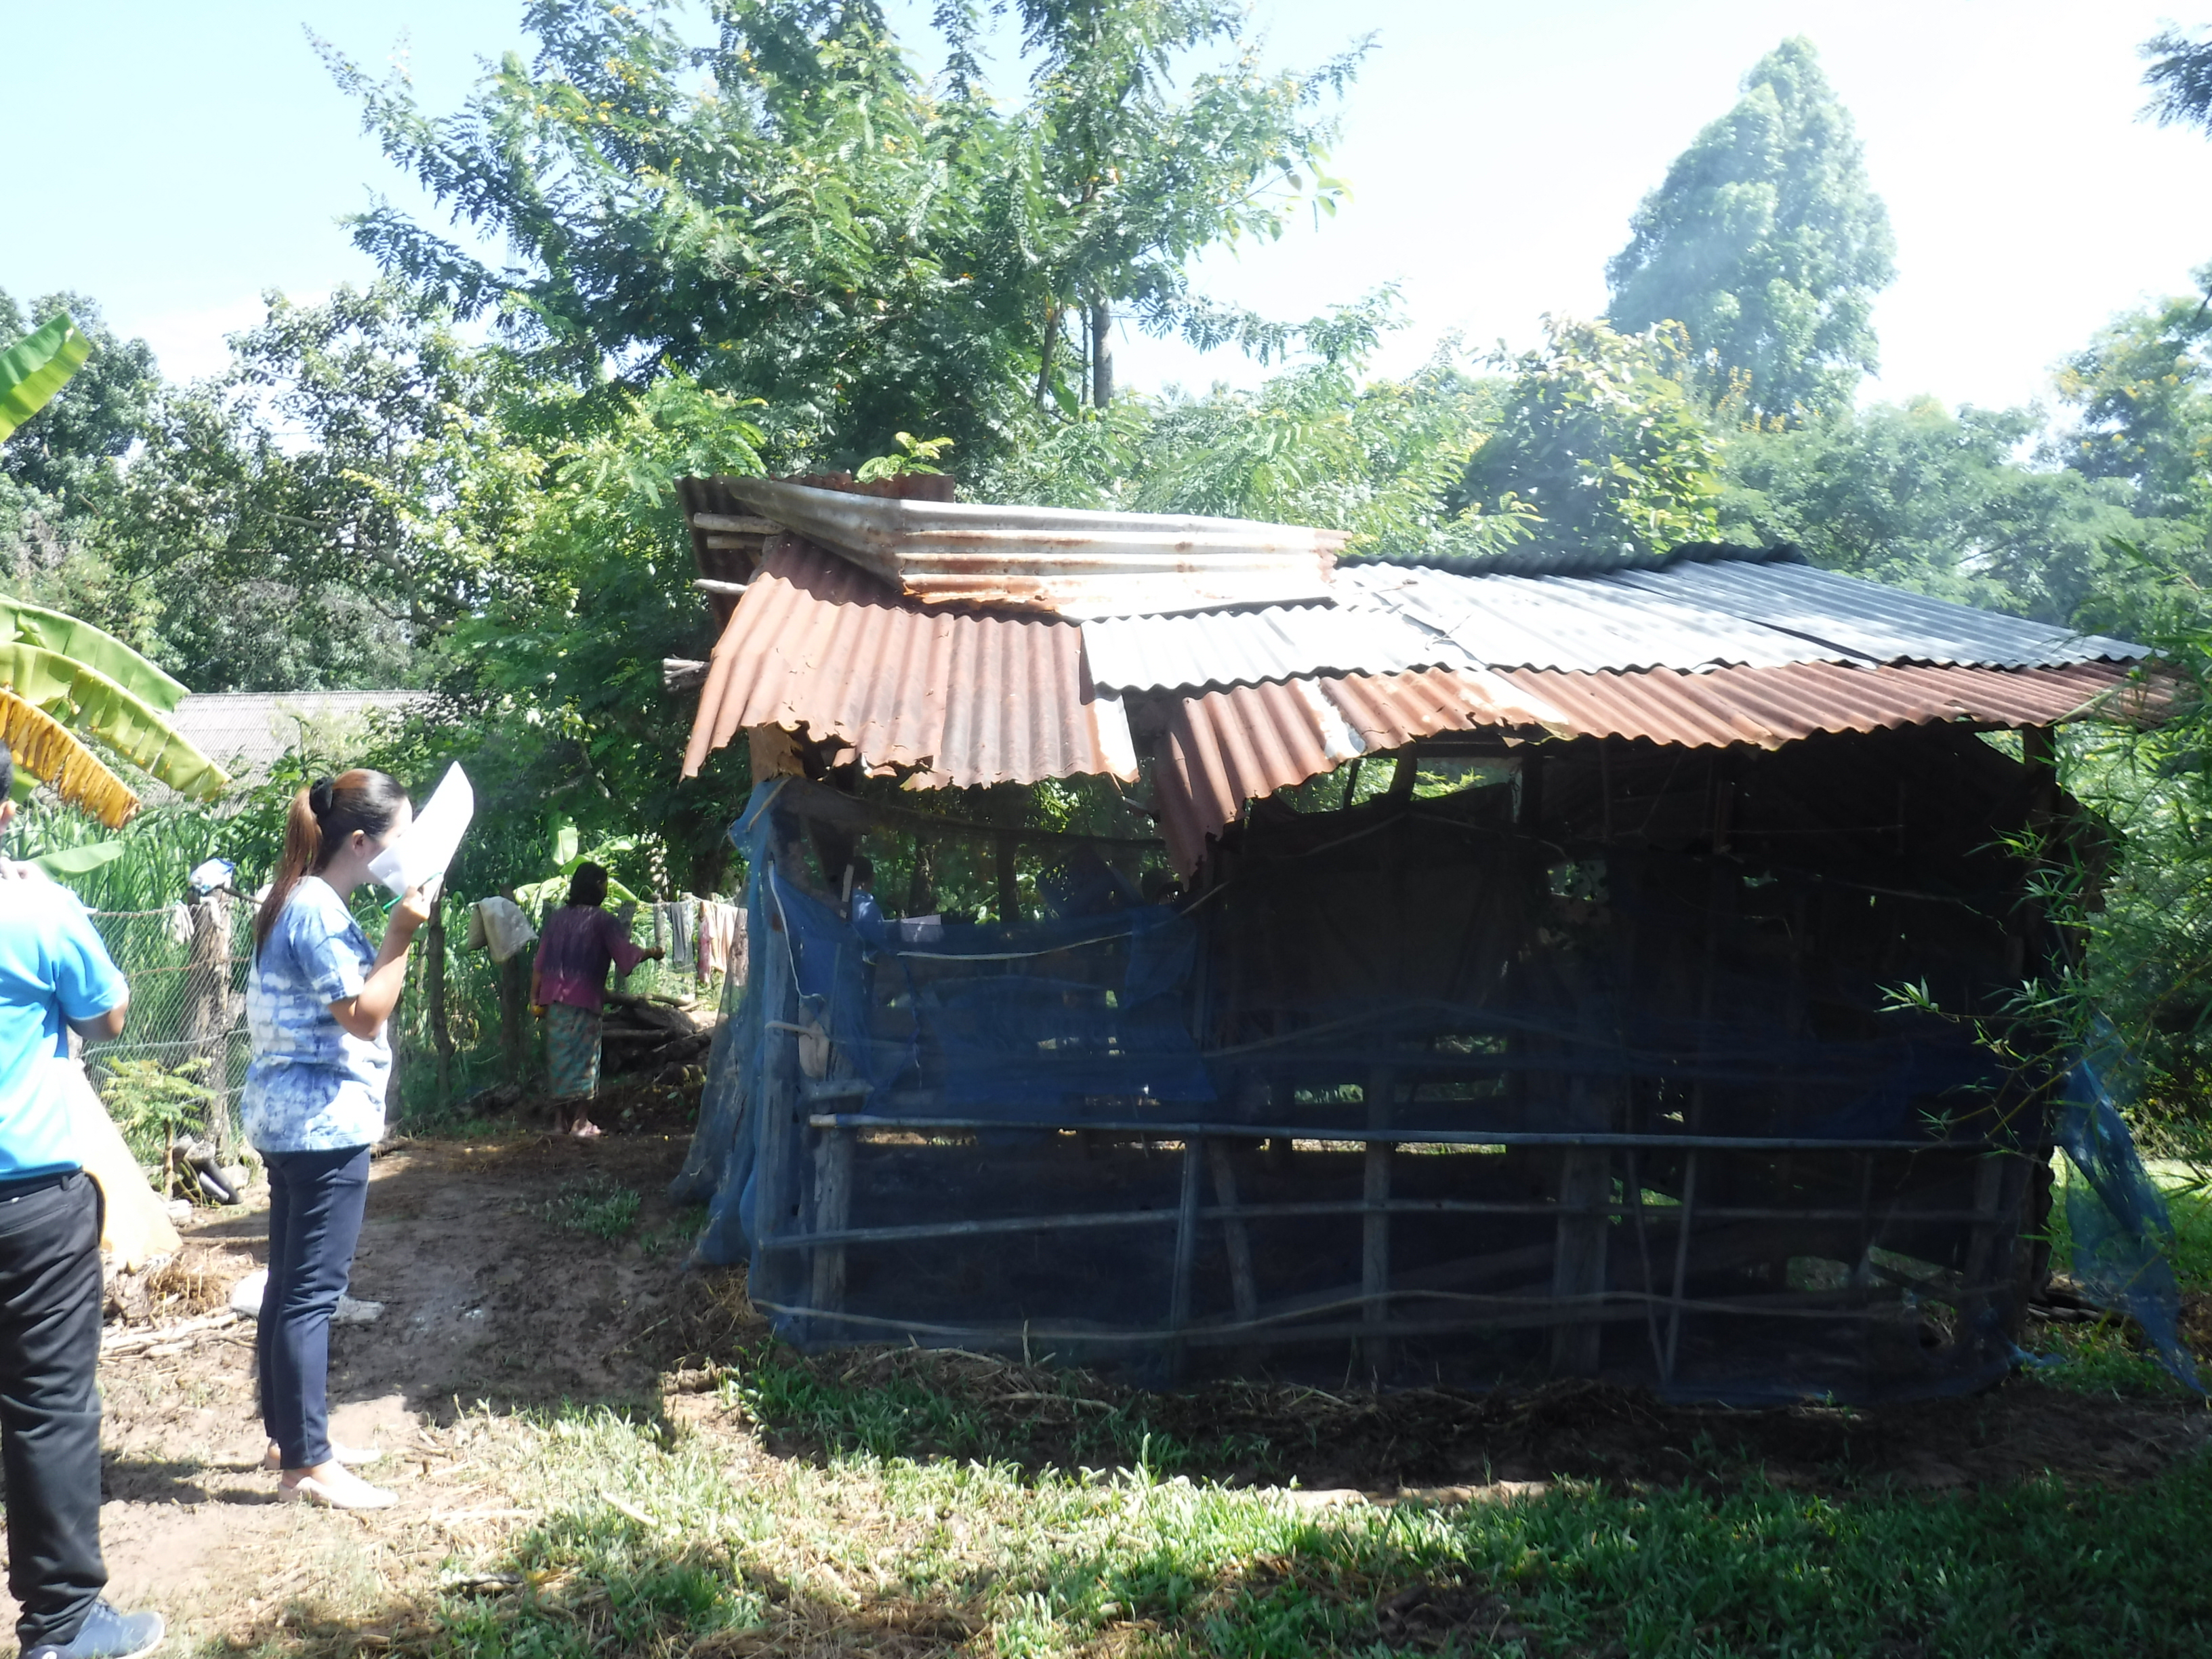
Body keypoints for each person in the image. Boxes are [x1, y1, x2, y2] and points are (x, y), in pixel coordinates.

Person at [0, 750, 166, 1659]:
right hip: (27, 1200)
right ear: (5, 814)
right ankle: (62, 1626)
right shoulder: (37, 909)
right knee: (47, 1403)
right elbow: (109, 1015)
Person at [242, 771, 430, 1510]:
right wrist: (402, 934)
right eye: (401, 837)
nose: (409, 851)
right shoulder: (318, 909)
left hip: (290, 1120)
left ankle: (288, 1438)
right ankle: (308, 1465)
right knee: (312, 1295)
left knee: (289, 1287)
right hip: (322, 1124)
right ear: (359, 843)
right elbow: (365, 1015)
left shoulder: (294, 896)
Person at [530, 863, 663, 1138]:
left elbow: (540, 964)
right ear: (596, 886)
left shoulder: (557, 919)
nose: (606, 889)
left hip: (554, 1001)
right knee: (584, 1060)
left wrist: (534, 998)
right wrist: (651, 952)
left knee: (559, 1060)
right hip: (585, 999)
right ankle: (580, 1123)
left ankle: (559, 1122)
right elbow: (626, 956)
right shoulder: (603, 921)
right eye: (604, 883)